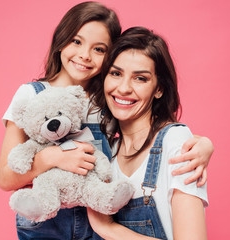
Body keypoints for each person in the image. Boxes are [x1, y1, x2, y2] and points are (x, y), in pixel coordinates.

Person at [0, 2, 212, 239]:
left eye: (99, 49)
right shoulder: (31, 95)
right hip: (47, 218)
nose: (84, 55)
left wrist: (203, 144)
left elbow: (152, 136)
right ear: (61, 40)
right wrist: (51, 158)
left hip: (95, 218)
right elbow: (5, 178)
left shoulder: (105, 100)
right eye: (76, 41)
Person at [87, 26, 209, 240]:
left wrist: (108, 229)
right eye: (115, 73)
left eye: (140, 78)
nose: (123, 88)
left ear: (159, 89)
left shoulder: (176, 142)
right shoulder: (108, 153)